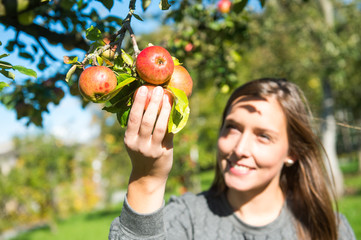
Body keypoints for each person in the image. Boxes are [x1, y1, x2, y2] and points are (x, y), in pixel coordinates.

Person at [108, 78, 356, 240]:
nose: (240, 148)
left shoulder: (328, 229)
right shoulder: (186, 219)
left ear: (293, 152)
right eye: (232, 128)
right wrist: (147, 180)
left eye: (264, 136)